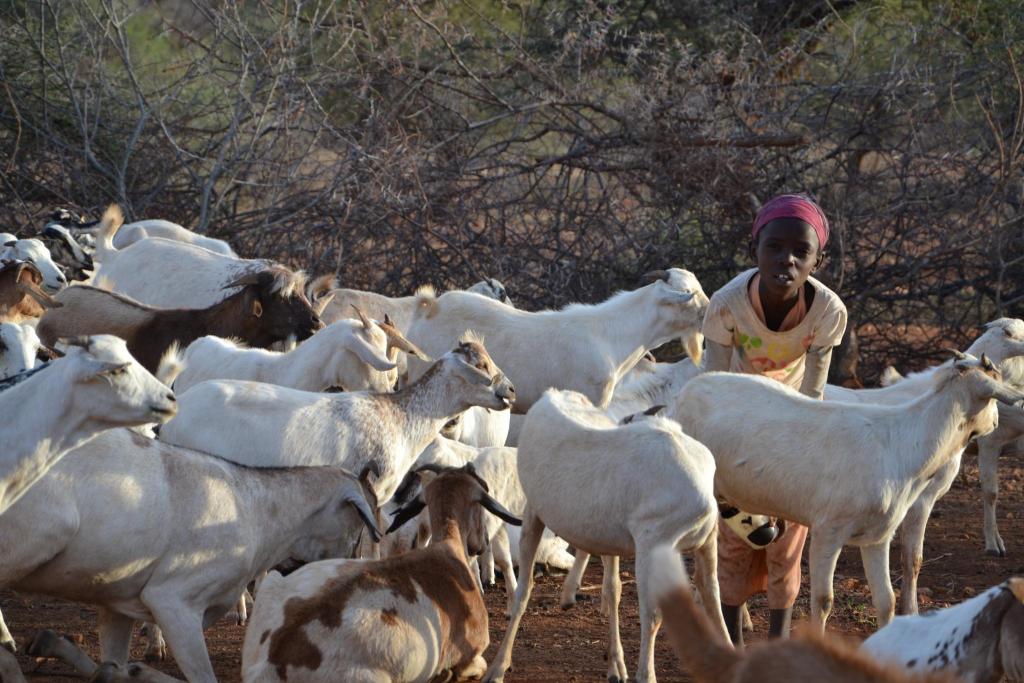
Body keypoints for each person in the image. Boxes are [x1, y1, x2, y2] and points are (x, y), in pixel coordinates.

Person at [701, 194, 848, 645]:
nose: (786, 258)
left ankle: (778, 649)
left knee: (788, 541)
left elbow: (814, 394)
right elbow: (712, 389)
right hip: (737, 429)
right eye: (774, 247)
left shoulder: (827, 312)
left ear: (817, 260)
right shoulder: (727, 306)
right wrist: (716, 463)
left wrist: (803, 456)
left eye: (801, 251)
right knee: (733, 540)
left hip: (792, 428)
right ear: (755, 251)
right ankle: (731, 650)